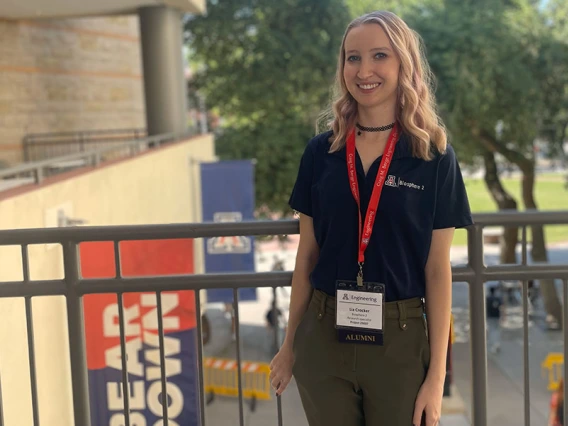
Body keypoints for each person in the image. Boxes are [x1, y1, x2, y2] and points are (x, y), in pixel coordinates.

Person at [268, 10, 473, 426]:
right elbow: (306, 257)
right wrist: (290, 344)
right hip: (323, 335)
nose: (364, 70)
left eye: (379, 55)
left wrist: (437, 377)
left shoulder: (433, 155)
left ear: (403, 63)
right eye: (352, 57)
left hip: (400, 339)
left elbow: (437, 270)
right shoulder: (320, 153)